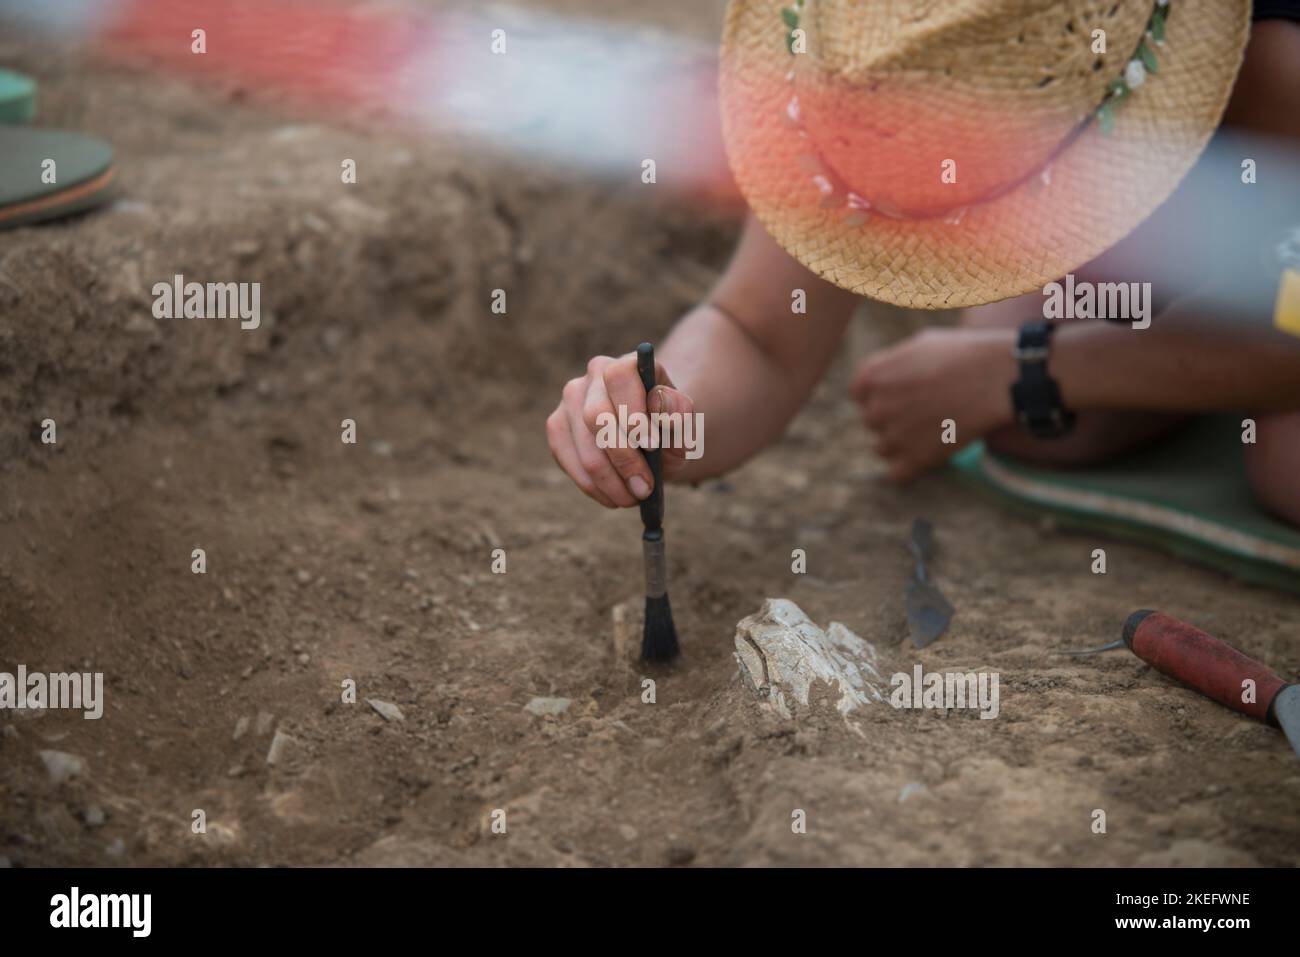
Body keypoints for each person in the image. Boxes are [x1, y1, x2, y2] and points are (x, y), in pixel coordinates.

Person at [547, 1, 1300, 526]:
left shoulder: (1276, 67)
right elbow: (757, 331)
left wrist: (1025, 371)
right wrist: (667, 423)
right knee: (1038, 388)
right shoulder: (867, 45)